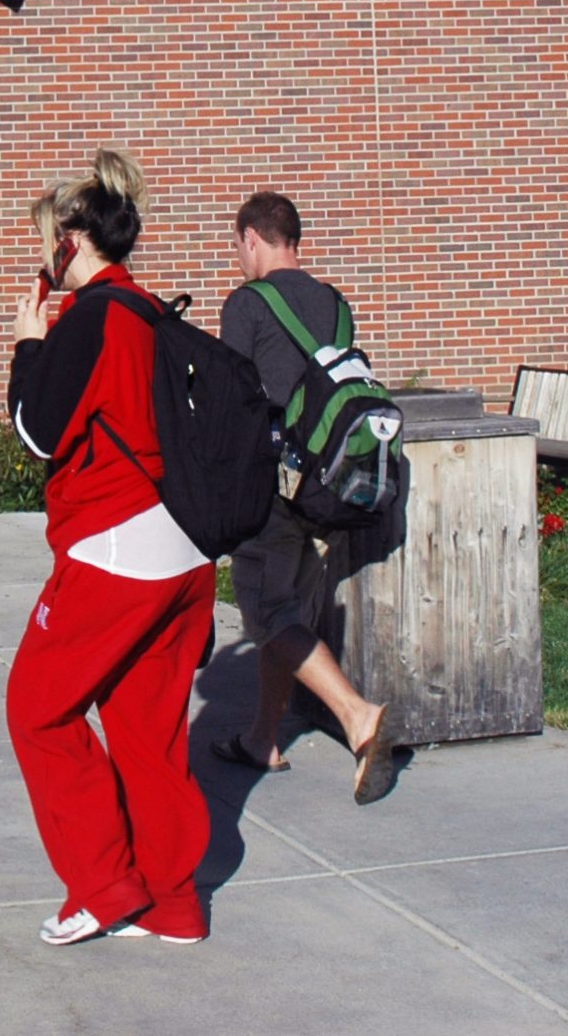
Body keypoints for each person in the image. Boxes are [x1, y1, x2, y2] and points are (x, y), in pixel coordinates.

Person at [3, 148, 217, 947]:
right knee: (144, 728)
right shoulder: (151, 310)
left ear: (72, 241)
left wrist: (28, 345)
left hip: (116, 550)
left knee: (36, 708)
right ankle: (173, 904)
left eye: (44, 242)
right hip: (185, 553)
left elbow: (38, 434)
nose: (41, 259)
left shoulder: (89, 316)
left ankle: (102, 883)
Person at [208, 191, 393, 801]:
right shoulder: (335, 303)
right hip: (332, 484)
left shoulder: (247, 304)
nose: (240, 257)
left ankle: (356, 716)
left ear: (252, 240)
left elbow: (230, 404)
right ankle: (264, 738)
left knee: (270, 614)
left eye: (239, 247)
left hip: (273, 488)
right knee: (283, 607)